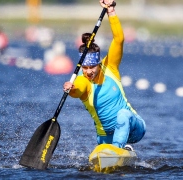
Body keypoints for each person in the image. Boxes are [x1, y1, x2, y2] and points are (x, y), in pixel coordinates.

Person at [63, 0, 146, 150]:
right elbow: (78, 89)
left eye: (92, 67)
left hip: (134, 128)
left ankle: (118, 149)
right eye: (85, 67)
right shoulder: (82, 80)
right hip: (106, 136)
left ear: (99, 63)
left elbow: (119, 39)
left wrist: (111, 11)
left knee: (123, 114)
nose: (88, 71)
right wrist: (71, 89)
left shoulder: (110, 67)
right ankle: (116, 149)